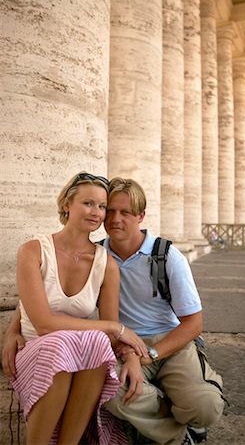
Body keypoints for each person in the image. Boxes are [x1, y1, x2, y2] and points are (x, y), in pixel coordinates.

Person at [3, 176, 224, 445]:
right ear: (66, 205)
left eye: (121, 211)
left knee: (204, 406)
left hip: (164, 343)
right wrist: (13, 329)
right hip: (107, 344)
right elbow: (43, 302)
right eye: (106, 208)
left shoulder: (158, 258)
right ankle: (177, 434)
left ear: (141, 216)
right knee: (103, 381)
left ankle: (184, 413)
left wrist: (142, 353)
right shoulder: (83, 253)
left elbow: (192, 323)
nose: (109, 217)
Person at [1, 172, 148, 445]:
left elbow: (109, 334)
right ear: (67, 204)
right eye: (88, 203)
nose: (97, 212)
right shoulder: (33, 251)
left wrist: (131, 356)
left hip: (74, 354)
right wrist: (13, 329)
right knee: (63, 346)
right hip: (38, 348)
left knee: (94, 343)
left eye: (102, 206)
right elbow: (43, 323)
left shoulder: (106, 264)